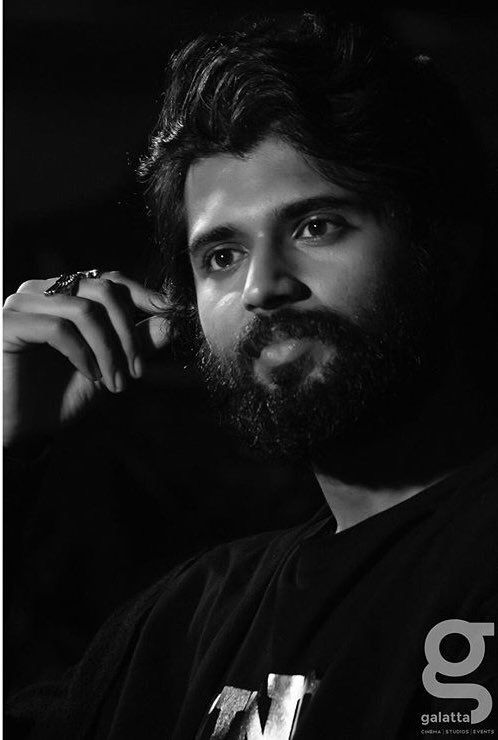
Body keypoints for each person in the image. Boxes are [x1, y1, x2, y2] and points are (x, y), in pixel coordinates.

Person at [4, 11, 498, 739]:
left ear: (445, 251)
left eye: (316, 226)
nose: (263, 288)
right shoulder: (181, 630)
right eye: (222, 256)